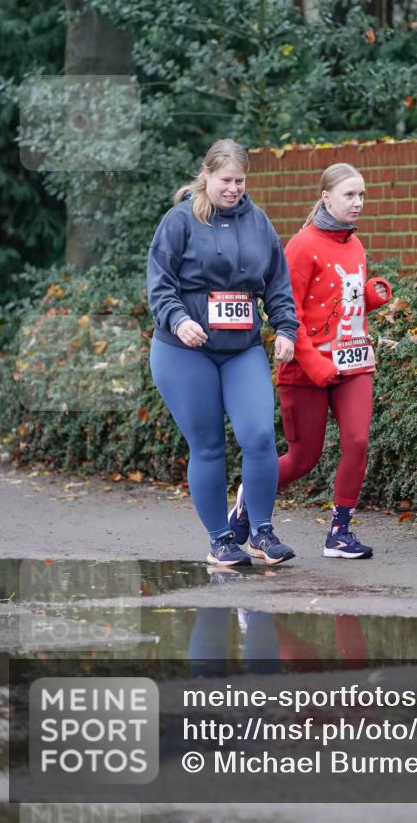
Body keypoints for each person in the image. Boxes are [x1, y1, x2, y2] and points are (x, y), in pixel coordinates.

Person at [147, 139, 299, 567]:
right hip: (183, 350)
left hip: (241, 348)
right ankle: (220, 539)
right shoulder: (179, 221)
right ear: (207, 176)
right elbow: (159, 283)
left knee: (259, 436)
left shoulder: (258, 222)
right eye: (225, 180)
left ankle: (261, 531)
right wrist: (179, 318)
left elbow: (277, 283)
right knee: (209, 445)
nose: (233, 188)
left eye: (240, 180)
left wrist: (286, 328)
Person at [230, 163, 392, 558]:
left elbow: (340, 309)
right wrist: (318, 367)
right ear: (326, 197)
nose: (358, 203)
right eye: (350, 195)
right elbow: (288, 313)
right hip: (306, 370)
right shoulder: (301, 245)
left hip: (354, 363)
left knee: (357, 441)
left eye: (362, 195)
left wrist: (369, 297)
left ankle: (340, 532)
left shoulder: (355, 245)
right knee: (304, 458)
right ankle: (250, 498)